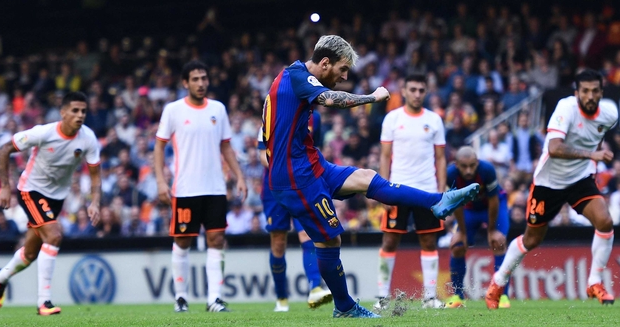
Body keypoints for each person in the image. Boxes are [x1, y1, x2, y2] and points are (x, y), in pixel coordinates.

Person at [263, 35, 479, 318]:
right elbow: (331, 99)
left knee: (366, 177)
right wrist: (372, 98)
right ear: (325, 62)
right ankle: (345, 307)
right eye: (342, 69)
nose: (344, 76)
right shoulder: (298, 78)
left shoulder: (293, 74)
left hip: (309, 164)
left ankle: (438, 201)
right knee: (329, 241)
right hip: (295, 175)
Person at [485, 69, 618, 309]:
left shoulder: (610, 114)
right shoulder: (565, 108)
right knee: (532, 239)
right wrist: (593, 155)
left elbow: (593, 136)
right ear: (576, 93)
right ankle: (498, 281)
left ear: (601, 92)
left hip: (579, 179)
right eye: (585, 91)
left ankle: (594, 282)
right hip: (548, 183)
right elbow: (555, 148)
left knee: (605, 221)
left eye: (595, 91)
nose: (590, 96)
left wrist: (591, 161)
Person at [0, 92, 102, 316]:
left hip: (56, 198)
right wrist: (5, 185)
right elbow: (5, 150)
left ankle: (1, 277)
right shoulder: (43, 133)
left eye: (83, 111)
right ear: (63, 113)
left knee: (30, 254)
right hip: (31, 190)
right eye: (75, 110)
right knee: (54, 236)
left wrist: (95, 203)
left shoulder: (88, 139)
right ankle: (44, 303)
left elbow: (95, 176)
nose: (80, 115)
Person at [154, 60, 248, 313]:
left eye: (204, 78)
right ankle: (181, 297)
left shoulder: (218, 108)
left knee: (216, 239)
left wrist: (239, 175)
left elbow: (226, 146)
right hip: (185, 189)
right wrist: (161, 181)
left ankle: (214, 299)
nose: (201, 83)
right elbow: (159, 146)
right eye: (195, 79)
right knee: (183, 241)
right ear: (185, 83)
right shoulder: (173, 110)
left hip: (215, 187)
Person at [375, 74, 448, 310]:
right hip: (397, 189)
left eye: (421, 90)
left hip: (426, 190)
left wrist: (441, 193)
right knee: (390, 240)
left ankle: (430, 298)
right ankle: (382, 298)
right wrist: (382, 191)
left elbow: (440, 159)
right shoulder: (392, 119)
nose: (417, 94)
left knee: (428, 240)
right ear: (403, 91)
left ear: (426, 92)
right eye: (413, 89)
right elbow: (385, 156)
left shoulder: (435, 120)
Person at [258, 112, 333, 312]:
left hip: (302, 183)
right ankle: (281, 298)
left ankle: (315, 287)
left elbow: (316, 147)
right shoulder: (273, 115)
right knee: (279, 242)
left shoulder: (314, 117)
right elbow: (261, 154)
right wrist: (284, 167)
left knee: (306, 233)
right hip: (275, 187)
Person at [446, 147, 508, 309]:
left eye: (472, 166)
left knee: (499, 242)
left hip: (493, 207)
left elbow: (493, 200)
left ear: (478, 163)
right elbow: (457, 203)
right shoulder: (450, 174)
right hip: (469, 209)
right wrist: (462, 233)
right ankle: (458, 296)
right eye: (464, 166)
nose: (468, 170)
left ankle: (501, 296)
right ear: (456, 165)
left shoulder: (487, 170)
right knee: (457, 245)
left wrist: (492, 230)